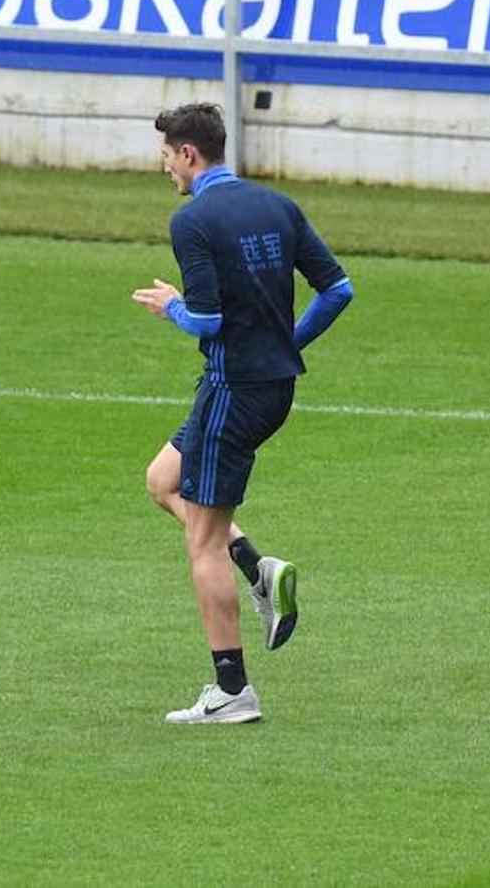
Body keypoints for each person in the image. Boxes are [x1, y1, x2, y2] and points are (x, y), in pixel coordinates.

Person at [131, 103, 353, 724]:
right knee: (162, 480)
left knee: (202, 541)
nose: (165, 170)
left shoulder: (193, 220)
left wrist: (171, 307)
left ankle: (232, 691)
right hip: (270, 386)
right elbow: (338, 289)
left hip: (233, 388)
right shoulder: (276, 206)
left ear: (188, 154)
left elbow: (207, 319)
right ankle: (259, 568)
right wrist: (288, 342)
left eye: (166, 158)